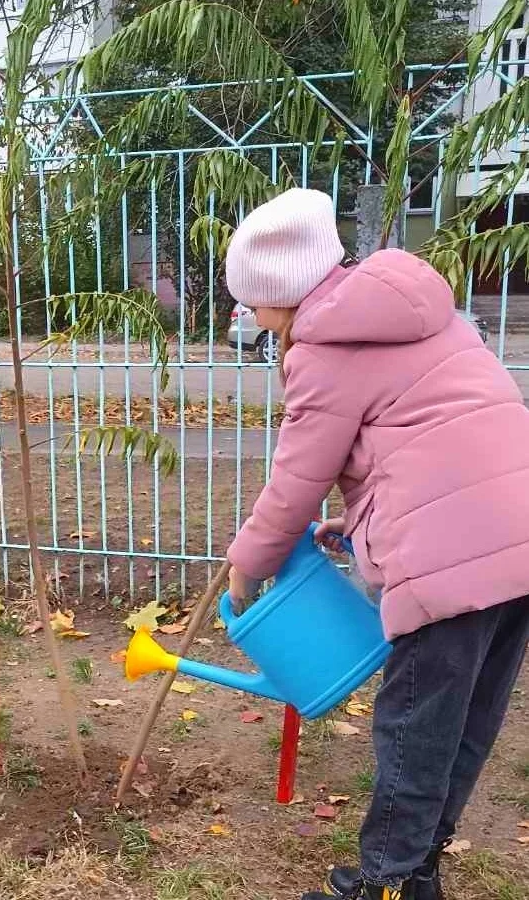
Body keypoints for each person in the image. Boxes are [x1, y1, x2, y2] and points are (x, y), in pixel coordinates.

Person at [223, 188, 529, 900]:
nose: (250, 314)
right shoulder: (418, 309)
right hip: (518, 538)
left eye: (252, 300)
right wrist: (359, 524)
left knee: (414, 726)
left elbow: (298, 479)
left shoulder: (325, 346)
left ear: (280, 292)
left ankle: (384, 884)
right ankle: (417, 870)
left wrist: (247, 566)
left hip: (449, 559)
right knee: (467, 718)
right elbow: (430, 436)